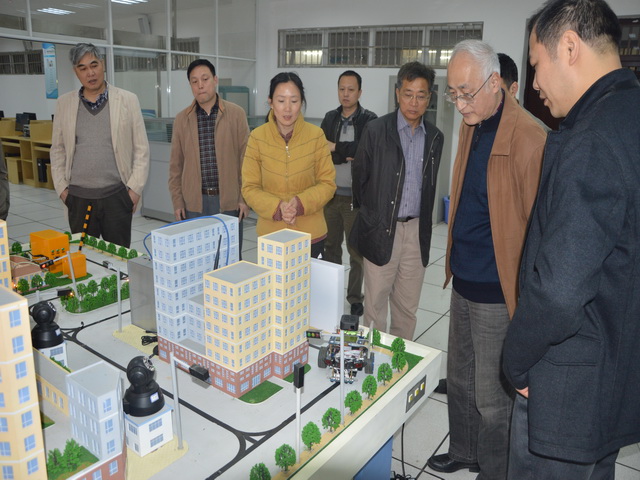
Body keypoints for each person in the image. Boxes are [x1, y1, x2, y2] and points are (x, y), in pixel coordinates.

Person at [502, 0, 640, 478]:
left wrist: (516, 360)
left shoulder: (592, 138)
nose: (535, 82)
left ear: (569, 46)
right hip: (615, 374)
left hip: (567, 389)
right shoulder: (630, 115)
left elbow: (560, 291)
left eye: (536, 64)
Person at [427, 40, 547, 480]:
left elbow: (539, 227)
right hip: (463, 276)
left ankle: (494, 470)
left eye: (466, 93)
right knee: (460, 378)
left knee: (494, 396)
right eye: (453, 95)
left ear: (496, 83)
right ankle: (465, 451)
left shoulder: (530, 137)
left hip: (498, 288)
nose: (459, 105)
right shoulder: (472, 124)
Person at [350, 62, 443, 340]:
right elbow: (360, 178)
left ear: (429, 98)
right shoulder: (376, 130)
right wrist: (373, 215)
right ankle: (373, 358)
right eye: (408, 94)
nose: (414, 102)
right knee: (375, 305)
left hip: (416, 231)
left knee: (406, 308)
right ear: (397, 93)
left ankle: (400, 358)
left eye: (421, 95)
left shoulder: (435, 137)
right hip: (381, 228)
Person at [51, 43, 149, 248]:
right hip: (78, 199)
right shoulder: (64, 104)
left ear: (102, 64)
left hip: (117, 196)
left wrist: (134, 191)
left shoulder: (127, 100)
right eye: (83, 68)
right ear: (76, 72)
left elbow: (141, 149)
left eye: (94, 65)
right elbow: (58, 150)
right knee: (85, 258)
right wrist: (62, 190)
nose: (90, 73)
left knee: (119, 257)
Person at [241, 72, 335, 258]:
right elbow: (249, 187)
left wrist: (300, 204)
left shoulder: (316, 136)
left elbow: (328, 183)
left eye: (294, 101)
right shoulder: (257, 137)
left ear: (302, 102)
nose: (287, 108)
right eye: (281, 100)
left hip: (310, 235)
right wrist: (278, 208)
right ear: (271, 102)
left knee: (310, 278)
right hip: (271, 235)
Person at [168, 59, 250, 249]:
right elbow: (175, 166)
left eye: (205, 79)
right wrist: (178, 201)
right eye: (194, 81)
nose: (200, 85)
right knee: (198, 257)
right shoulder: (182, 120)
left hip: (229, 202)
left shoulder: (236, 114)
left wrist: (243, 198)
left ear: (215, 80)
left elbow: (247, 160)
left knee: (229, 258)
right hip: (194, 204)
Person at [320, 71, 377, 316]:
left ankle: (354, 297)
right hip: (330, 196)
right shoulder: (330, 118)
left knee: (356, 252)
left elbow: (364, 151)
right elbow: (321, 151)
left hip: (356, 199)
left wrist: (336, 148)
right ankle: (332, 292)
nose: (346, 94)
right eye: (342, 89)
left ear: (359, 92)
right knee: (330, 248)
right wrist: (347, 152)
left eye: (351, 89)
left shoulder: (369, 120)